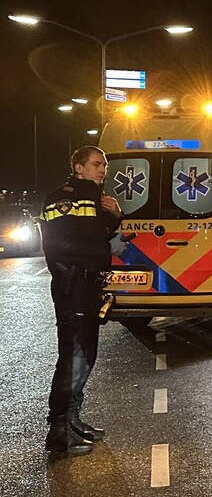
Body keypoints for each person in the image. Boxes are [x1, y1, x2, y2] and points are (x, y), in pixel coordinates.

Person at [40, 146, 122, 456]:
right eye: (97, 164)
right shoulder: (79, 193)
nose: (103, 170)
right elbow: (79, 241)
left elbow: (88, 234)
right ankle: (59, 429)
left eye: (104, 165)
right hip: (75, 283)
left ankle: (71, 420)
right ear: (79, 167)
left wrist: (113, 218)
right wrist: (113, 224)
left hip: (77, 283)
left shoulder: (73, 194)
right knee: (76, 355)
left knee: (83, 353)